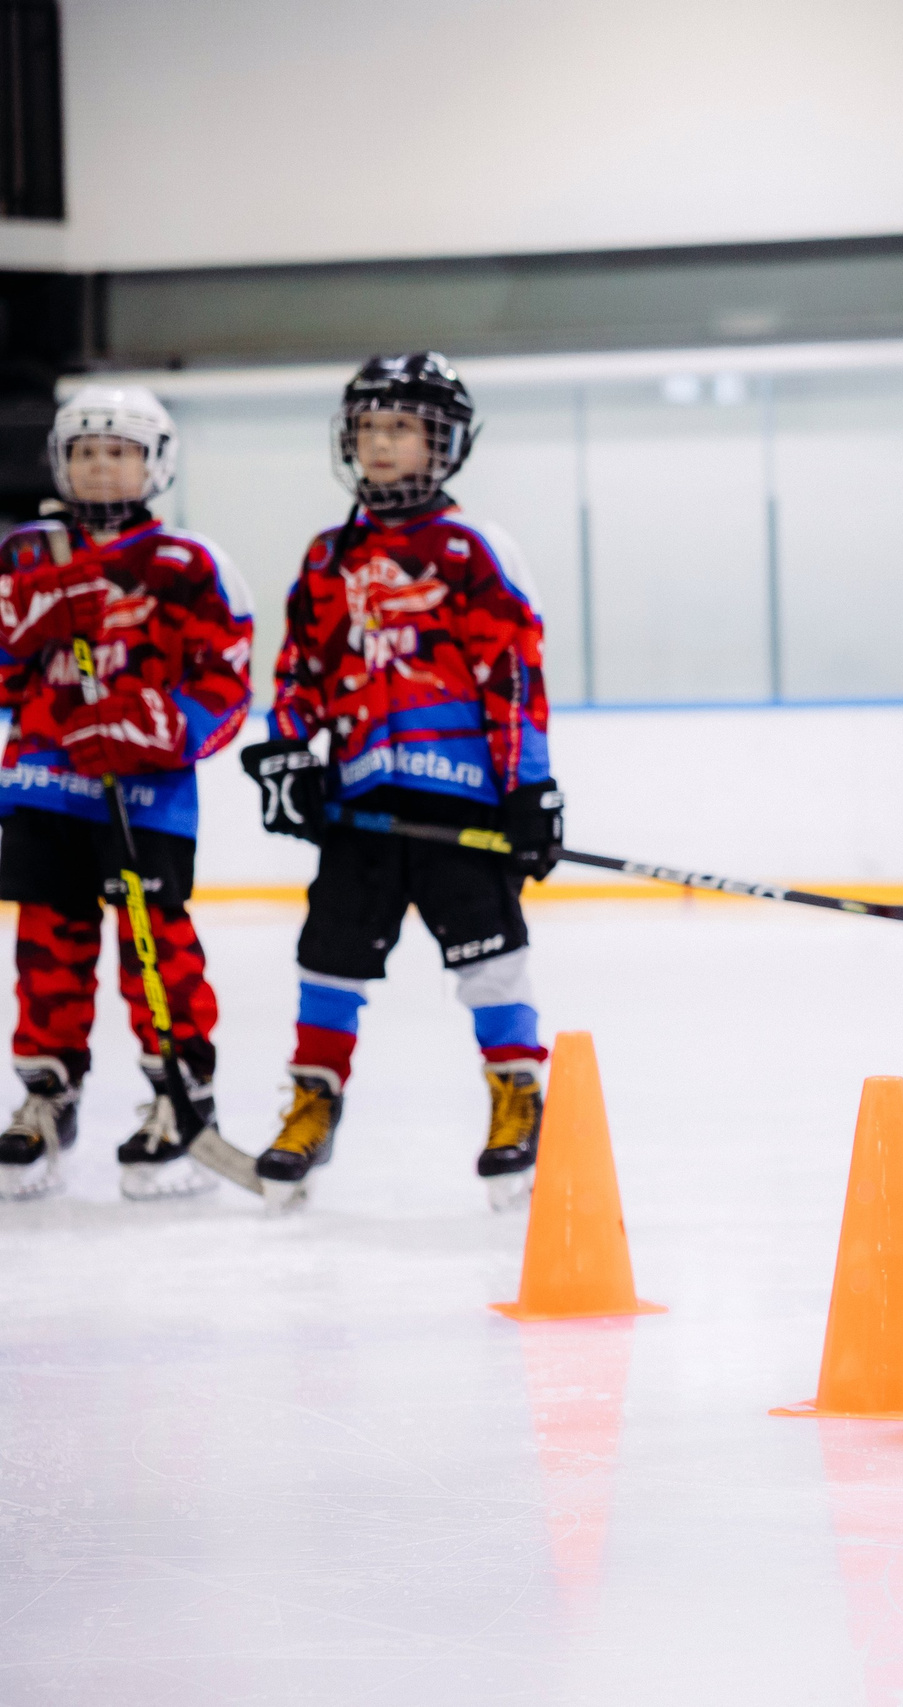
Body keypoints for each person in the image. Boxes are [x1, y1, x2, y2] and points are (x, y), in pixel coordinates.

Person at [235, 352, 563, 1211]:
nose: (381, 444)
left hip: (463, 802)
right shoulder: (328, 556)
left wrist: (531, 789)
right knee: (328, 959)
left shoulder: (471, 549)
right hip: (358, 805)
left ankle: (517, 1093)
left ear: (442, 442)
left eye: (402, 428)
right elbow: (299, 674)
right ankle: (313, 1099)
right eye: (369, 427)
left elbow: (515, 676)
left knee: (491, 956)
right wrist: (290, 757)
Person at [0, 385, 254, 1201]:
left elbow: (225, 684)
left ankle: (177, 1100)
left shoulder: (189, 565)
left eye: (119, 451)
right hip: (43, 789)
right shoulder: (26, 557)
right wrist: (31, 623)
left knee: (159, 955)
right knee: (47, 952)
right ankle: (48, 1095)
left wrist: (155, 726)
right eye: (84, 451)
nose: (101, 466)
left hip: (144, 801)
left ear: (155, 463)